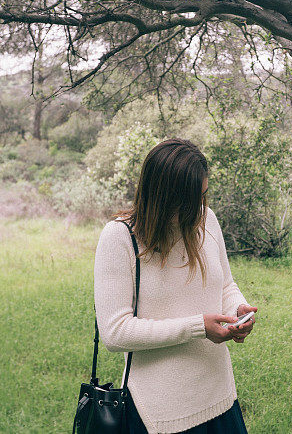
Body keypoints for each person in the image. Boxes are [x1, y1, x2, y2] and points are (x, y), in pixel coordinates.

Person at [93, 138, 257, 434]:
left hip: (219, 398)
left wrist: (237, 310)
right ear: (163, 196)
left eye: (204, 195)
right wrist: (198, 327)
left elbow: (225, 286)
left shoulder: (207, 220)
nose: (200, 206)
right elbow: (115, 332)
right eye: (191, 199)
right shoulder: (119, 238)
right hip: (160, 412)